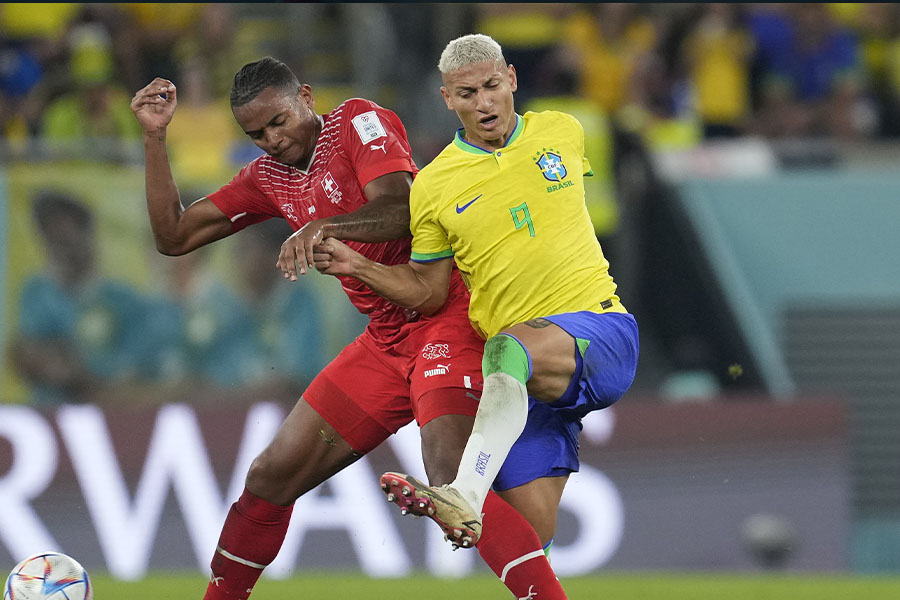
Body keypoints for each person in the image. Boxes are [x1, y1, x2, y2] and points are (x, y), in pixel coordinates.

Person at [131, 56, 567, 600]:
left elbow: (403, 207)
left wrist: (324, 224)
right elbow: (173, 236)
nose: (271, 140)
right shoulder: (266, 179)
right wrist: (154, 139)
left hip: (447, 318)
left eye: (278, 122)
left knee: (449, 474)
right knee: (270, 476)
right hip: (384, 342)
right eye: (256, 133)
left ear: (306, 98)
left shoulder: (359, 123)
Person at [311, 33, 639, 554]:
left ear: (511, 78)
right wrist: (357, 265)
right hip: (523, 386)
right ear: (448, 99)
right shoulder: (435, 185)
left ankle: (462, 491)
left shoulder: (562, 131)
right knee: (527, 545)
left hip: (597, 331)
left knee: (505, 348)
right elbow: (426, 293)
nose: (483, 103)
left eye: (491, 86)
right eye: (467, 94)